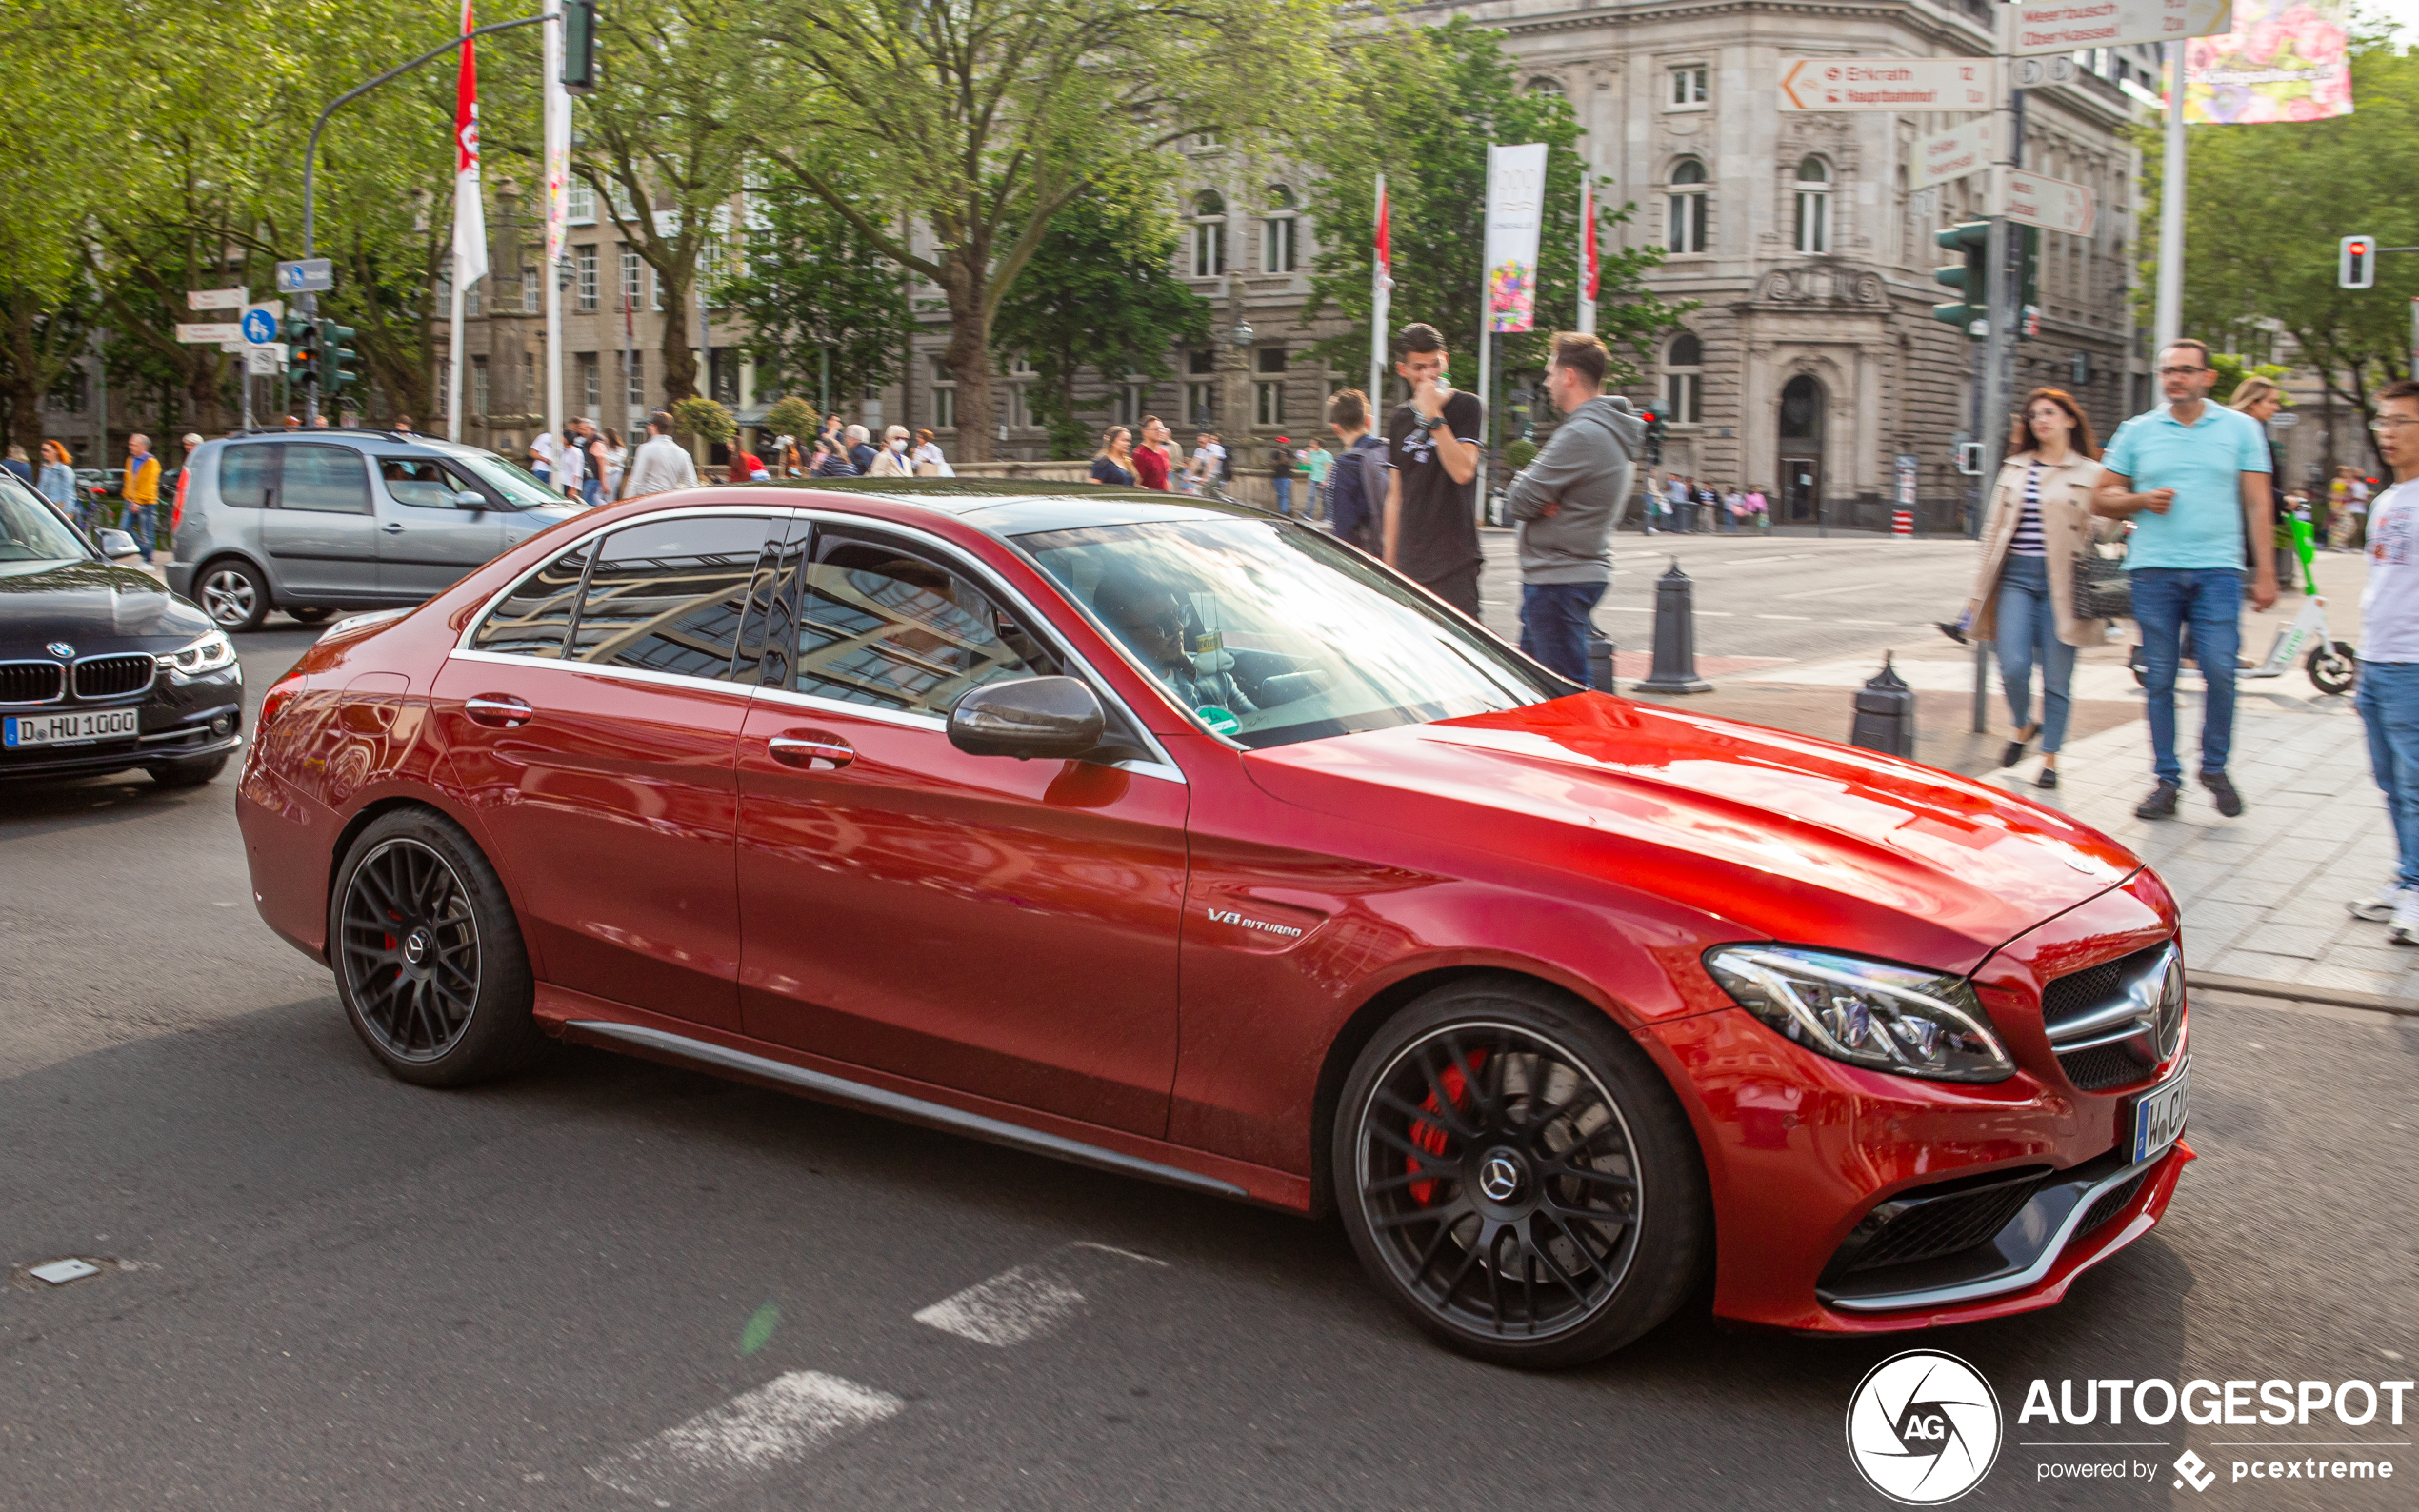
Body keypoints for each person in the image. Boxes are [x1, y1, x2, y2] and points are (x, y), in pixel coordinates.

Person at [2094, 338, 2278, 820]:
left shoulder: (2240, 429)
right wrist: (2140, 500)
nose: (2175, 378)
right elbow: (2099, 498)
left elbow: (2260, 502)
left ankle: (2213, 768)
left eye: (2185, 370)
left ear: (2207, 377)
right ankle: (2166, 782)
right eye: (2168, 371)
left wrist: (2267, 574)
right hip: (2153, 571)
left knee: (2220, 669)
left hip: (2219, 570)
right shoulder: (2137, 431)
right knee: (2160, 678)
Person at [1954, 388, 2110, 791]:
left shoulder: (2090, 472)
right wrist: (1976, 594)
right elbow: (1992, 532)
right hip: (2015, 581)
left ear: (2069, 420)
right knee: (2013, 666)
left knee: (2058, 679)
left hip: (2065, 583)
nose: (2041, 420)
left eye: (2050, 413)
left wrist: (2117, 512)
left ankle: (2051, 759)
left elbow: (2107, 528)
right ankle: (2023, 724)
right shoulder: (2015, 468)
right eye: (2035, 414)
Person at [1501, 331, 1638, 686]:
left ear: (1569, 376)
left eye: (1550, 373)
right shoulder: (1605, 429)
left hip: (1558, 580)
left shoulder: (1581, 434)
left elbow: (1517, 500)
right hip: (1567, 574)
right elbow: (1532, 498)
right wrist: (1542, 499)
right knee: (1535, 690)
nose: (1546, 383)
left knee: (1563, 694)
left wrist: (1538, 495)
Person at [2348, 377, 2419, 941]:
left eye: (2400, 422)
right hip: (2377, 662)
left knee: (2414, 785)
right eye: (2383, 421)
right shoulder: (2387, 502)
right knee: (2391, 783)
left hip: (2413, 666)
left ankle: (2417, 890)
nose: (2387, 433)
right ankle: (2406, 877)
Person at [1382, 322, 1486, 618]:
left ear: (1446, 361)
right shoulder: (1400, 418)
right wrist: (1388, 566)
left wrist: (1433, 416)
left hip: (1454, 559)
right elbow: (1395, 496)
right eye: (1419, 367)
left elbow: (1463, 470)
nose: (1428, 374)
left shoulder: (1467, 406)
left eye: (1435, 364)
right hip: (1410, 560)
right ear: (1403, 370)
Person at [1093, 567, 1255, 719]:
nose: (1178, 626)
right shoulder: (1109, 701)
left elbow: (1260, 722)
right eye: (1162, 622)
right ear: (1117, 634)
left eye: (1178, 614)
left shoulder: (1211, 676)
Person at [2230, 376, 2294, 591]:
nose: (2276, 408)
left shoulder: (2253, 433)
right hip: (2235, 528)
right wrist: (2282, 499)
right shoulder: (2242, 435)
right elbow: (2242, 481)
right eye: (2272, 402)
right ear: (2253, 402)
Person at [1324, 388, 1386, 555]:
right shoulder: (1390, 452)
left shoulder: (1345, 465)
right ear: (1369, 422)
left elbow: (1344, 529)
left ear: (1336, 428)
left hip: (1370, 558)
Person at [620, 410, 698, 497]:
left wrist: (625, 502)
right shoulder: (683, 453)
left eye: (649, 425)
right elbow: (692, 484)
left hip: (650, 501)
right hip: (671, 502)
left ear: (654, 427)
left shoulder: (645, 449)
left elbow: (635, 481)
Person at [121, 433, 161, 556]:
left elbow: (148, 484)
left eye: (133, 445)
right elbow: (128, 480)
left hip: (146, 502)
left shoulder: (151, 462)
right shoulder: (130, 460)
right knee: (124, 529)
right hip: (131, 500)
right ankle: (144, 551)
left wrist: (138, 501)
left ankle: (148, 558)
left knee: (146, 532)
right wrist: (128, 497)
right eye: (130, 444)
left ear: (143, 446)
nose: (130, 447)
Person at [37, 440, 76, 525]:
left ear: (56, 451)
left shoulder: (64, 470)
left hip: (58, 507)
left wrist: (68, 512)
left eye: (46, 450)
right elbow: (40, 488)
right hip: (45, 506)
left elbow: (69, 492)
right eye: (42, 450)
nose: (43, 452)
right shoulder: (44, 469)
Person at [1131, 415, 1173, 490]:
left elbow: (1166, 479)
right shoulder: (1140, 454)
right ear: (1145, 432)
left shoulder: (1164, 452)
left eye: (1161, 429)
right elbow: (1136, 483)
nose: (1160, 432)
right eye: (1156, 429)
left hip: (1164, 499)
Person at [1303, 438, 1332, 519]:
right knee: (1311, 496)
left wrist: (1325, 479)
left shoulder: (1326, 455)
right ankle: (1308, 514)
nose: (1310, 445)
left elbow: (1328, 468)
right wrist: (1307, 453)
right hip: (1313, 478)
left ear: (1318, 445)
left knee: (1325, 498)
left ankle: (1328, 517)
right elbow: (1305, 463)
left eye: (1312, 443)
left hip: (1323, 479)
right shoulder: (1312, 453)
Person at [1269, 435, 1295, 517]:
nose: (1279, 445)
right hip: (1277, 477)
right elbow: (1272, 464)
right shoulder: (1275, 453)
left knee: (1284, 495)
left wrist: (1284, 458)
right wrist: (1280, 460)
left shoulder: (1289, 453)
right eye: (1279, 443)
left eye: (1281, 443)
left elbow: (1291, 463)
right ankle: (1281, 510)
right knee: (1279, 495)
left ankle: (1283, 512)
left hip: (1286, 476)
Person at [601, 428, 627, 500]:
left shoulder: (620, 449)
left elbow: (616, 460)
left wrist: (606, 461)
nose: (604, 439)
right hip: (605, 473)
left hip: (614, 472)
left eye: (605, 436)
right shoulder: (604, 447)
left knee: (610, 494)